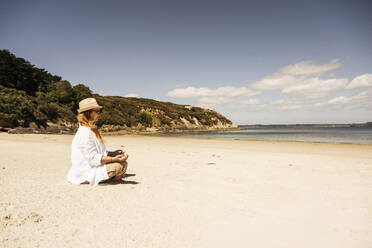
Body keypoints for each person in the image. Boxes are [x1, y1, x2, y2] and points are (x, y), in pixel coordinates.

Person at [67, 97, 129, 186]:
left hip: (88, 168)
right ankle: (113, 178)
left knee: (121, 163)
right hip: (85, 172)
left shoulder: (89, 130)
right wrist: (113, 159)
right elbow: (93, 158)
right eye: (96, 111)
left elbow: (98, 152)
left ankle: (113, 176)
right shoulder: (85, 132)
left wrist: (113, 153)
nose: (98, 114)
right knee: (121, 165)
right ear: (88, 113)